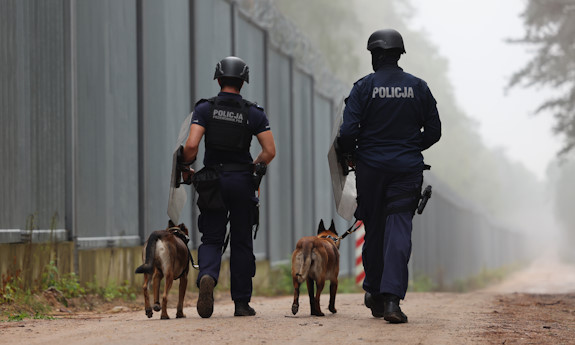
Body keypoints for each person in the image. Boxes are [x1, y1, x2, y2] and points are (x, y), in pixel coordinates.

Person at [337, 29, 441, 323]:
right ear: (398, 55)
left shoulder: (363, 87)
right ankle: (393, 300)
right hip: (406, 170)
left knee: (374, 228)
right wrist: (409, 147)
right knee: (399, 230)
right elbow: (434, 131)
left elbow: (347, 132)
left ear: (375, 56)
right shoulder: (418, 87)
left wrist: (352, 153)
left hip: (370, 170)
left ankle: (374, 292)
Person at [180, 56, 276, 318]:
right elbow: (269, 151)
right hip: (242, 181)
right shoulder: (253, 112)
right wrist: (255, 166)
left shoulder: (205, 109)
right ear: (243, 83)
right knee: (242, 240)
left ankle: (208, 275)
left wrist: (187, 165)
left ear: (219, 79)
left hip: (212, 181)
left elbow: (191, 146)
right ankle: (242, 303)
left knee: (212, 235)